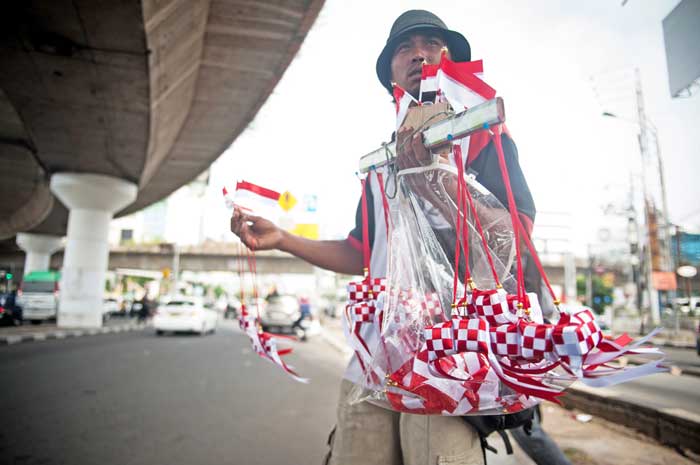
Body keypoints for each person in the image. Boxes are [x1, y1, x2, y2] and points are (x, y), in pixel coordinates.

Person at [231, 10, 538, 465]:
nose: (419, 53)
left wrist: (436, 181)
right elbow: (362, 251)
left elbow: (513, 242)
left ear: (450, 58)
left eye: (431, 43)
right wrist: (284, 239)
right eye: (404, 47)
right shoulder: (381, 163)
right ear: (389, 73)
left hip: (448, 358)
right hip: (374, 360)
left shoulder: (480, 135)